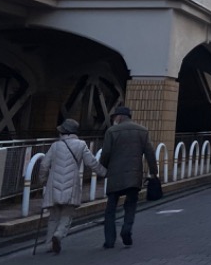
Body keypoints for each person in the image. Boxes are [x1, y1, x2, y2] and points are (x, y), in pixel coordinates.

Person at [38, 118, 107, 254]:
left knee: (53, 216)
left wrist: (43, 180)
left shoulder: (55, 146)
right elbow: (91, 163)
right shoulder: (81, 145)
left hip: (53, 184)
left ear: (63, 132)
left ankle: (48, 245)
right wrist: (104, 172)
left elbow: (44, 165)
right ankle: (58, 235)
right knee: (67, 215)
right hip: (71, 184)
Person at [100, 105, 158, 249]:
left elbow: (106, 153)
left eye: (114, 117)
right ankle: (126, 229)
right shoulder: (142, 131)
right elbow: (150, 153)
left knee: (110, 209)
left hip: (115, 175)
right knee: (131, 205)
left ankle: (109, 240)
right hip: (134, 174)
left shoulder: (111, 131)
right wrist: (153, 172)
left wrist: (103, 168)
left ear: (119, 117)